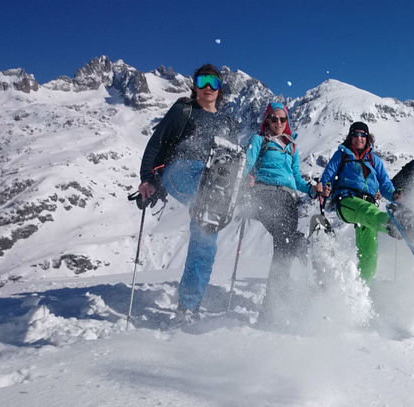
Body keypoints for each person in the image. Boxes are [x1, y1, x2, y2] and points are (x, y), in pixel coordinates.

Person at [138, 64, 238, 322]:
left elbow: (233, 158)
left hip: (213, 180)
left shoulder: (227, 121)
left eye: (213, 83)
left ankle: (189, 307)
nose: (207, 87)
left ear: (220, 89)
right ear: (194, 86)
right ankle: (207, 207)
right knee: (207, 208)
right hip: (180, 169)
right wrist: (148, 178)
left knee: (206, 237)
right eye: (202, 81)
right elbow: (157, 142)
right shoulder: (184, 110)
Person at [244, 102, 313, 323]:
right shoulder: (259, 140)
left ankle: (273, 308)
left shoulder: (291, 146)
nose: (279, 123)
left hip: (288, 201)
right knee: (286, 240)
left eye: (283, 119)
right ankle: (303, 245)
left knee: (283, 250)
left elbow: (297, 179)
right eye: (274, 119)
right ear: (267, 120)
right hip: (264, 194)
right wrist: (245, 178)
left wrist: (312, 188)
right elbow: (247, 164)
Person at [316, 122, 400, 282]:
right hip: (346, 201)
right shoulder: (342, 155)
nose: (359, 138)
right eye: (355, 134)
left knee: (369, 254)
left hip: (368, 205)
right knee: (369, 213)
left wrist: (394, 194)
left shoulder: (374, 160)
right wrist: (326, 186)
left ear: (367, 138)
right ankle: (393, 224)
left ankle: (363, 291)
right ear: (350, 136)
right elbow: (328, 174)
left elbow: (385, 184)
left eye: (363, 135)